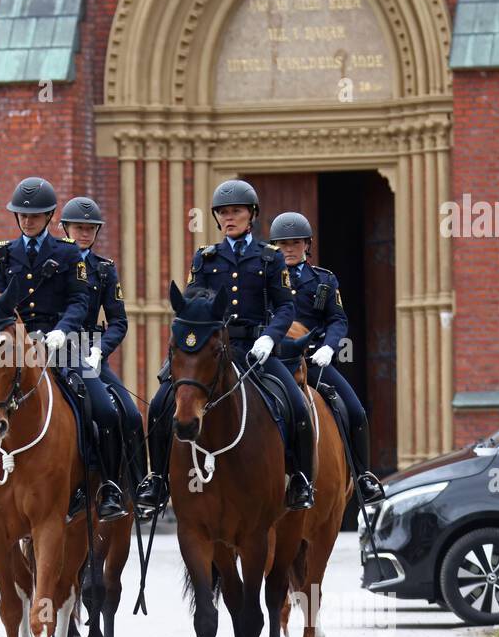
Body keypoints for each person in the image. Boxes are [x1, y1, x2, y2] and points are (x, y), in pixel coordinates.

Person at [0, 177, 128, 522]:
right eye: (22, 215)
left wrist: (61, 332)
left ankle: (105, 485)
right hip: (13, 348)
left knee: (102, 408)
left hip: (64, 345)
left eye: (36, 215)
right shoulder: (2, 253)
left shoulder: (69, 254)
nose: (28, 220)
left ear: (50, 216)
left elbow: (79, 299)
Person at [134, 179, 316, 515]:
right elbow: (192, 298)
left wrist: (269, 337)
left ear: (252, 215)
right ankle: (157, 479)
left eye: (236, 212)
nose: (229, 218)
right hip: (211, 349)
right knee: (160, 404)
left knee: (296, 404)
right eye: (223, 213)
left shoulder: (270, 257)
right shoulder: (206, 257)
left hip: (255, 348)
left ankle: (301, 479)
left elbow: (286, 307)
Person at [270, 211, 385, 504]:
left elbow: (338, 320)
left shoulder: (323, 281)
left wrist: (329, 348)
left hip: (314, 362)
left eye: (295, 243)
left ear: (307, 245)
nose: (289, 249)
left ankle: (363, 476)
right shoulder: (265, 283)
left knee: (355, 411)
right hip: (275, 361)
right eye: (283, 244)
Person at [58, 196, 147, 491]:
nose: (85, 233)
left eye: (91, 228)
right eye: (79, 227)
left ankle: (125, 486)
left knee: (128, 414)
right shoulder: (52, 262)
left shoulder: (105, 269)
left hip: (89, 353)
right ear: (64, 228)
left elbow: (118, 321)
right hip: (52, 351)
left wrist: (100, 350)